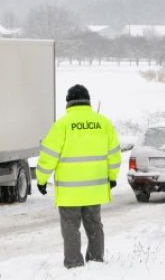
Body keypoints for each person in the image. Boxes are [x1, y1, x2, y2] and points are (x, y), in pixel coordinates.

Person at [36, 84, 121, 269]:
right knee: (94, 225)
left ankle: (74, 263)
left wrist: (41, 179)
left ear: (68, 103)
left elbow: (48, 155)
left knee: (70, 227)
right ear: (88, 101)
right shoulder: (103, 123)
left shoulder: (62, 125)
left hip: (70, 192)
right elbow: (114, 154)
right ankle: (96, 260)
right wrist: (112, 176)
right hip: (95, 189)